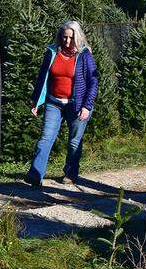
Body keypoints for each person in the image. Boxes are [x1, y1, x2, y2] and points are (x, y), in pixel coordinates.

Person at [24, 21, 99, 188]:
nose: (67, 41)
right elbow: (42, 78)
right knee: (46, 138)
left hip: (77, 104)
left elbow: (93, 82)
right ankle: (35, 175)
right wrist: (36, 100)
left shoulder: (84, 55)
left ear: (77, 38)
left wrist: (87, 106)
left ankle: (71, 174)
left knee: (74, 141)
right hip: (54, 102)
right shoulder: (52, 52)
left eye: (71, 38)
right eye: (64, 37)